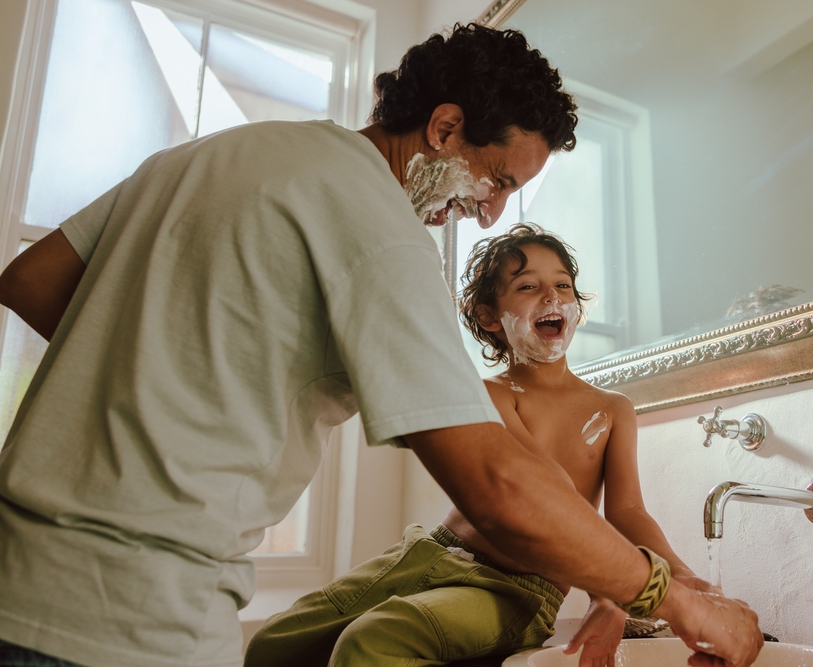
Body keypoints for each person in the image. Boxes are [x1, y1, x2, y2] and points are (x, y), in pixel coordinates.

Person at [0, 24, 762, 667]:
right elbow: (497, 486)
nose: (491, 214)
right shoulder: (380, 228)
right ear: (443, 129)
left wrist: (179, 362)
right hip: (130, 620)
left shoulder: (222, 153)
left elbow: (32, 280)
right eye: (495, 179)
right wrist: (676, 600)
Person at [244, 224, 726, 667]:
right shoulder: (491, 393)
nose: (550, 297)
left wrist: (680, 579)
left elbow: (628, 512)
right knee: (277, 644)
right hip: (431, 553)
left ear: (576, 306)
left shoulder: (611, 409)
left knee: (373, 640)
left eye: (562, 285)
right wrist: (608, 588)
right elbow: (539, 483)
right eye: (527, 287)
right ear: (489, 317)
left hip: (520, 589)